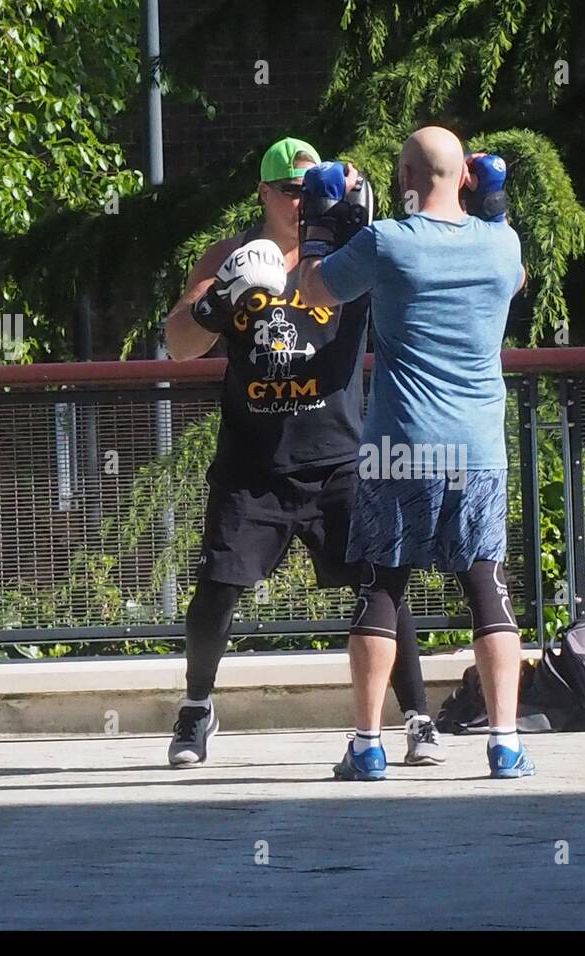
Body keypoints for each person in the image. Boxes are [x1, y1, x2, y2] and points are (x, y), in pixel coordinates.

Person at [161, 136, 443, 768]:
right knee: (216, 588)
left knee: (381, 585)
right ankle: (197, 709)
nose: (300, 202)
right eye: (290, 190)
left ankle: (418, 716)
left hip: (338, 454)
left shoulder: (351, 250)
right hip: (253, 461)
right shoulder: (229, 255)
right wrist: (213, 302)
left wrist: (359, 200)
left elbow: (416, 271)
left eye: (312, 191)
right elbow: (179, 344)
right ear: (264, 193)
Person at [295, 126, 532, 780]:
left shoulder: (386, 241)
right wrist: (496, 205)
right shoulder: (500, 243)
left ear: (402, 178)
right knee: (489, 587)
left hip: (399, 443)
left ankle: (368, 743)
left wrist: (319, 219)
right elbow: (516, 280)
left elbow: (315, 292)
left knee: (379, 585)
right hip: (477, 448)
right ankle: (505, 741)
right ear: (465, 177)